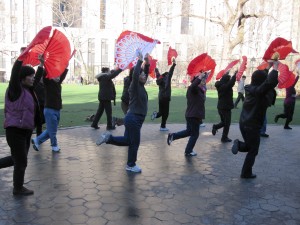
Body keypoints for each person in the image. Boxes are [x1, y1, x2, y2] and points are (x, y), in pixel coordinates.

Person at [96, 51, 149, 173]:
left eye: (144, 75)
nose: (144, 76)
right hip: (134, 118)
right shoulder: (134, 86)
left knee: (128, 141)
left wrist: (146, 62)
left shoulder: (141, 86)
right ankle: (131, 164)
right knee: (135, 143)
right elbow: (135, 75)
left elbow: (144, 72)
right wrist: (140, 61)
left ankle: (109, 139)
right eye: (142, 74)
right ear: (136, 76)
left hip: (135, 119)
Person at [0, 56, 44, 196]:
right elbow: (14, 74)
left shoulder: (29, 90)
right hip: (15, 131)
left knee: (17, 158)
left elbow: (36, 79)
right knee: (21, 161)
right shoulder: (15, 89)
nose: (32, 78)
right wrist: (20, 60)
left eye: (32, 76)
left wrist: (41, 65)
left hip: (25, 131)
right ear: (23, 78)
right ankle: (17, 188)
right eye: (30, 76)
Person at [231, 61, 278, 179]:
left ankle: (239, 144)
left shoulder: (250, 88)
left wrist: (269, 66)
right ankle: (246, 173)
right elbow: (269, 82)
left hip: (244, 123)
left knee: (250, 146)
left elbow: (263, 79)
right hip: (252, 125)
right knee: (254, 150)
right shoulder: (259, 92)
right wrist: (275, 68)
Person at [167, 72, 207, 156]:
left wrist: (204, 89)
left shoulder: (199, 90)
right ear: (197, 80)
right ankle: (188, 150)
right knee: (195, 134)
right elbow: (193, 86)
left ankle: (173, 136)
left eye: (205, 80)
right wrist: (200, 77)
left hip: (193, 115)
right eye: (202, 79)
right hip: (193, 115)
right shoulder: (192, 89)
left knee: (189, 132)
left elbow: (202, 100)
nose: (204, 81)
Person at [31, 66, 69, 152]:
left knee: (52, 129)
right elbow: (44, 74)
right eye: (56, 75)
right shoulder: (47, 82)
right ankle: (54, 146)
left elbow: (63, 75)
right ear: (51, 75)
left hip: (57, 109)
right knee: (52, 131)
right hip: (50, 109)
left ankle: (37, 140)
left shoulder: (58, 83)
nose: (58, 76)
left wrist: (65, 66)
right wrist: (46, 64)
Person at [151, 57, 176, 131]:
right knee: (166, 113)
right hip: (166, 98)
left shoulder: (160, 78)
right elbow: (171, 71)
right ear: (167, 75)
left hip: (161, 98)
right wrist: (173, 64)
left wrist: (155, 68)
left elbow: (157, 73)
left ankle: (156, 116)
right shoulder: (167, 78)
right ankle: (163, 126)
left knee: (161, 112)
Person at [212, 71, 237, 142]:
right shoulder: (224, 86)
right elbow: (231, 83)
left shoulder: (221, 85)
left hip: (221, 107)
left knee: (224, 122)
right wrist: (235, 75)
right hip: (225, 108)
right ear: (227, 80)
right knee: (227, 123)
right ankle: (224, 137)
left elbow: (230, 83)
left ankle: (215, 127)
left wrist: (227, 73)